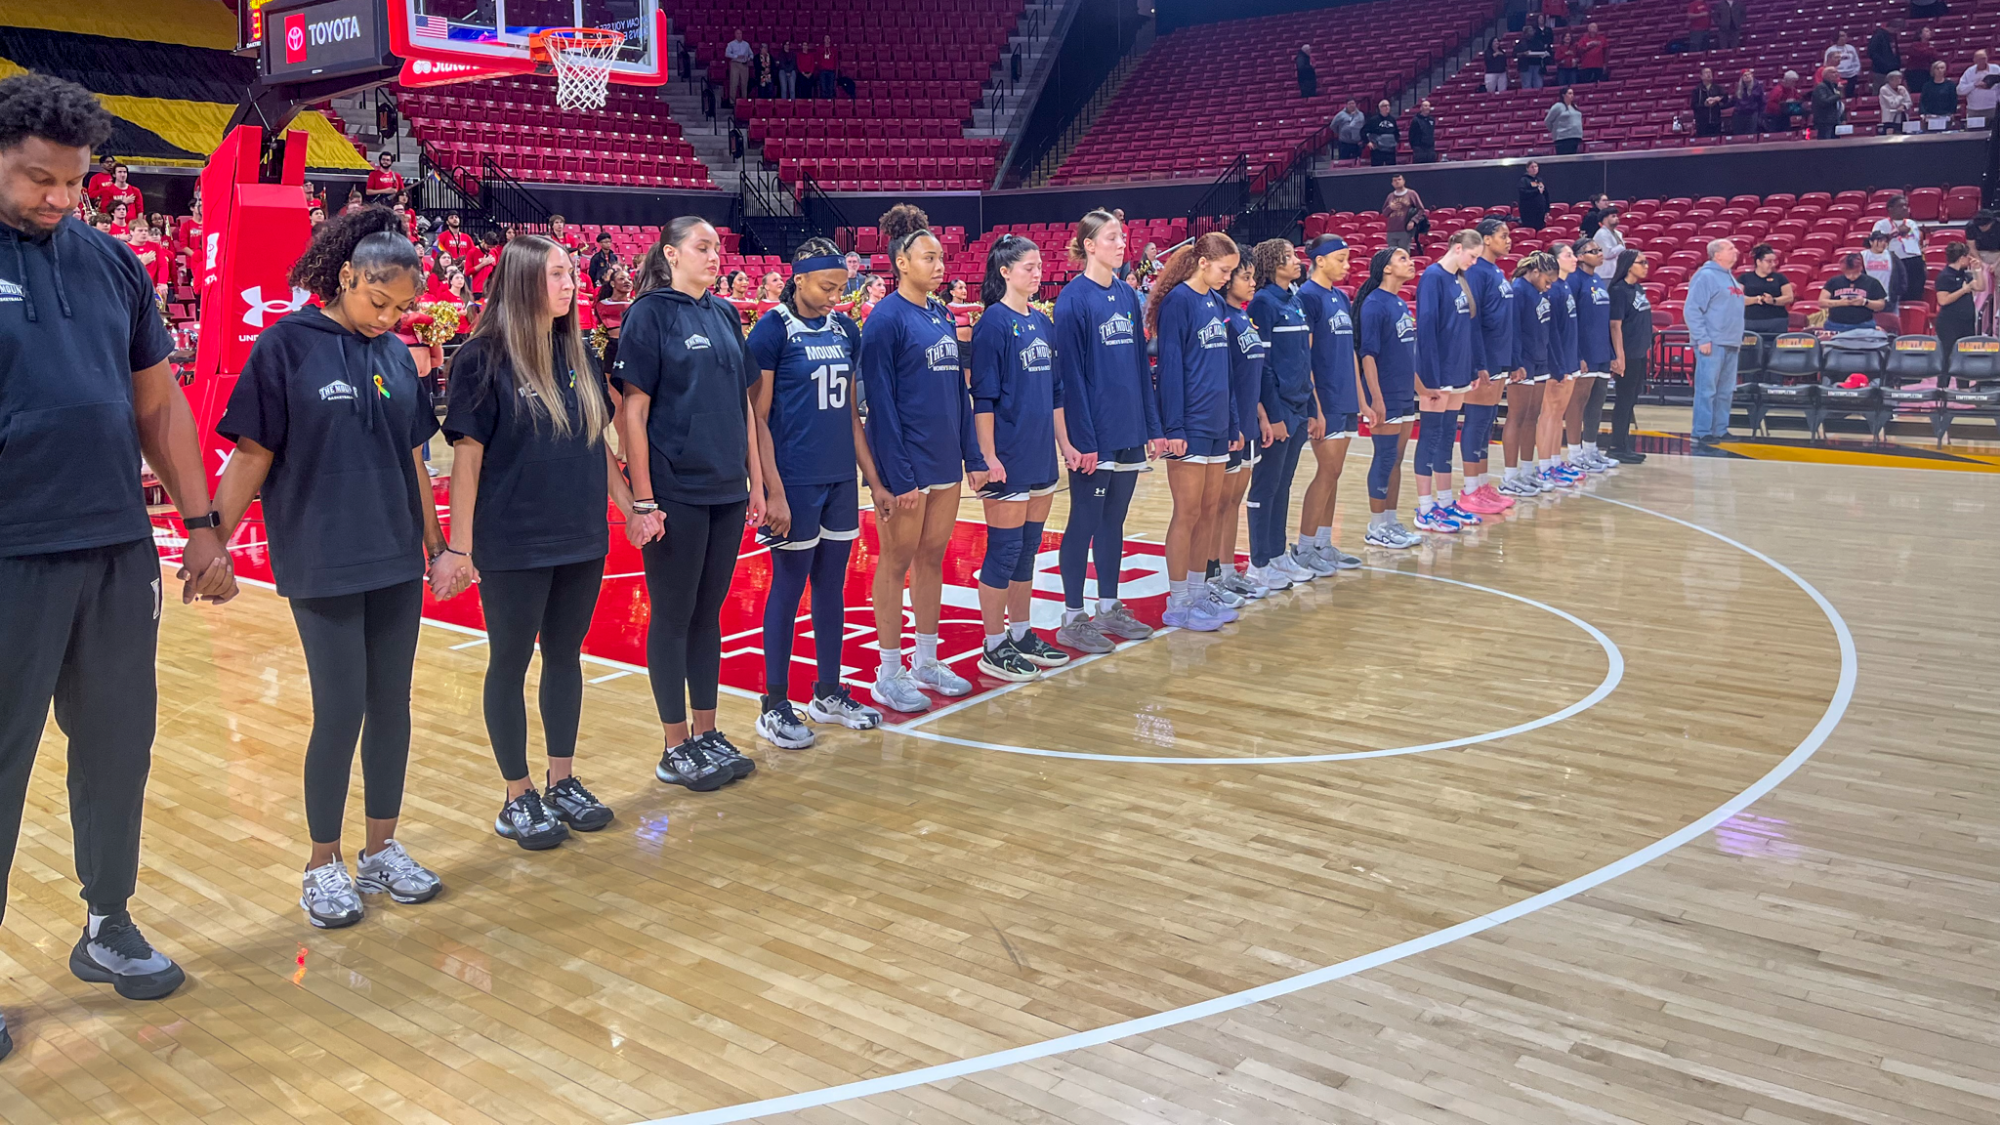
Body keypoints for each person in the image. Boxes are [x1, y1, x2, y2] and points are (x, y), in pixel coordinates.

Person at [0, 75, 235, 1054]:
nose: (56, 198)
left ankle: (107, 923)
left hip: (113, 546)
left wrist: (203, 521)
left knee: (115, 749)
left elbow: (157, 404)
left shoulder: (111, 264)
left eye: (72, 183)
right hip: (11, 553)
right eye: (34, 179)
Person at [211, 207, 444, 928]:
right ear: (345, 277)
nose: (388, 317)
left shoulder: (398, 357)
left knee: (392, 707)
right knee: (340, 708)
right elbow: (252, 454)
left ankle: (381, 848)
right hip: (322, 556)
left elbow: (414, 456)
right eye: (379, 301)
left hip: (395, 556)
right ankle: (322, 862)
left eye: (403, 308)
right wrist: (209, 539)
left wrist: (440, 548)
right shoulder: (286, 345)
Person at [429, 234, 633, 849]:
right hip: (513, 540)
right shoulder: (481, 358)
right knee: (511, 663)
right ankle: (517, 794)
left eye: (571, 273)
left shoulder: (579, 353)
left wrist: (631, 509)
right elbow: (466, 459)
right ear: (522, 282)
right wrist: (458, 548)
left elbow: (598, 444)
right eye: (557, 274)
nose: (571, 284)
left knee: (566, 657)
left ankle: (561, 780)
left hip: (581, 535)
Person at [614, 216, 764, 790]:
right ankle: (674, 744)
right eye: (702, 247)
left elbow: (744, 406)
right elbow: (633, 411)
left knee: (709, 614)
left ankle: (707, 732)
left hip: (727, 488)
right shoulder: (649, 314)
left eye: (717, 247)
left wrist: (755, 479)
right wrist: (643, 498)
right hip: (676, 491)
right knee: (674, 616)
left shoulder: (725, 314)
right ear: (671, 255)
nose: (714, 256)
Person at [745, 238, 884, 743]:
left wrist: (872, 477)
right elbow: (754, 419)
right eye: (827, 287)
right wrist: (771, 491)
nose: (834, 297)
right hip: (795, 481)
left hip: (839, 479)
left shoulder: (846, 329)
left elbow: (849, 415)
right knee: (788, 585)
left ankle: (827, 691)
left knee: (833, 586)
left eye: (841, 289)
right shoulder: (771, 331)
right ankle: (774, 704)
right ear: (799, 279)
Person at [857, 204, 988, 711]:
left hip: (944, 465)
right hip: (904, 467)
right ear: (900, 263)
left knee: (933, 558)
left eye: (941, 258)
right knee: (895, 561)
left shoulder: (939, 314)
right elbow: (881, 406)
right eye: (928, 258)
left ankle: (926, 661)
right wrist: (897, 475)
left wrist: (972, 457)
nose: (940, 266)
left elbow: (959, 392)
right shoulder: (885, 320)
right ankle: (888, 672)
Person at [1051, 210, 1158, 654]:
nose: (1121, 244)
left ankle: (1109, 606)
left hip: (1129, 426)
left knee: (1115, 521)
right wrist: (1084, 440)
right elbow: (1070, 376)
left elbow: (1139, 365)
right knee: (1085, 520)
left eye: (1123, 237)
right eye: (1112, 237)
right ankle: (1073, 617)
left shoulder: (1127, 297)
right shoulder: (1073, 300)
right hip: (1094, 432)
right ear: (1089, 245)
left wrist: (1151, 424)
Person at [968, 234, 1071, 681]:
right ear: (1005, 272)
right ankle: (993, 645)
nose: (1037, 272)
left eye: (1039, 265)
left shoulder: (1043, 323)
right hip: (1006, 455)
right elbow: (983, 398)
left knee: (1028, 550)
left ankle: (1022, 631)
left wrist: (1065, 445)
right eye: (1028, 266)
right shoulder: (992, 323)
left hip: (1040, 454)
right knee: (1004, 551)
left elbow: (1056, 395)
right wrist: (986, 455)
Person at [1148, 233, 1241, 633]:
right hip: (1189, 423)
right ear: (1203, 263)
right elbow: (1170, 369)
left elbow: (1225, 369)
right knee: (1186, 512)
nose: (1228, 277)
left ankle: (1200, 592)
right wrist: (1175, 427)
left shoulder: (1216, 302)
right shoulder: (1178, 304)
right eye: (1224, 270)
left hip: (1219, 423)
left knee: (1208, 512)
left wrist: (1234, 421)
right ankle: (1179, 601)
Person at [1246, 238, 1326, 586]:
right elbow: (1262, 366)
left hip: (1297, 406)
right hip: (1279, 411)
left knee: (1284, 484)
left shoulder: (1294, 301)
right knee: (1266, 486)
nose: (1298, 261)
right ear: (1273, 261)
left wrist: (1310, 407)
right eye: (1291, 255)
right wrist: (1274, 415)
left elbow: (1303, 361)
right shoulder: (1263, 303)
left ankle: (1278, 554)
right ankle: (1258, 561)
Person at [1293, 236, 1367, 571]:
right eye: (1340, 258)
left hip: (1344, 395)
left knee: (1334, 474)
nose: (1347, 265)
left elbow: (1350, 351)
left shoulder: (1340, 296)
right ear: (1320, 260)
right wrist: (1315, 406)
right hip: (1325, 396)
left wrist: (1362, 398)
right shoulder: (1308, 297)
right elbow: (1303, 355)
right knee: (1327, 471)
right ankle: (1305, 547)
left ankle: (1323, 544)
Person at [1412, 230, 1490, 530]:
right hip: (1439, 373)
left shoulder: (1460, 279)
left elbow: (1469, 328)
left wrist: (1474, 368)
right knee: (1430, 437)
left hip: (1458, 372)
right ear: (1458, 248)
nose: (1473, 262)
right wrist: (1430, 377)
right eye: (1472, 256)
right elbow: (1427, 329)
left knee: (1446, 437)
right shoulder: (1433, 277)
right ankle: (1425, 508)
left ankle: (1444, 503)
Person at [1354, 247, 1427, 542]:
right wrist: (1377, 398)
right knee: (1384, 457)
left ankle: (1390, 520)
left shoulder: (1399, 303)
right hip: (1384, 394)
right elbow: (1367, 354)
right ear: (1386, 268)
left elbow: (1404, 356)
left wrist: (1423, 390)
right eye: (1403, 259)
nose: (1410, 263)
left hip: (1403, 394)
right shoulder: (1374, 305)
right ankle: (1375, 527)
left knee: (1396, 459)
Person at [1210, 253, 1265, 606]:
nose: (1252, 282)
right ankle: (1211, 573)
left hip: (1248, 423)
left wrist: (1258, 414)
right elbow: (1226, 377)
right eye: (1245, 276)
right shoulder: (1224, 320)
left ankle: (1229, 570)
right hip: (1230, 426)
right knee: (1218, 504)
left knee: (1233, 502)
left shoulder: (1245, 317)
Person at [1462, 217, 1519, 509]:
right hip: (1484, 358)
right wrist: (1478, 362)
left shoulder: (1496, 271)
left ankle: (1482, 485)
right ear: (1485, 239)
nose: (1508, 240)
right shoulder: (1477, 273)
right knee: (1477, 420)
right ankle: (1470, 489)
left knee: (1487, 422)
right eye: (1503, 235)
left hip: (1499, 356)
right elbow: (1473, 320)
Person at [1500, 252, 1555, 496]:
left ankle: (1526, 470)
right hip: (1523, 360)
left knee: (1533, 415)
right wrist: (1515, 363)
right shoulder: (1519, 290)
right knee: (1517, 415)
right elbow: (1511, 329)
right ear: (1534, 272)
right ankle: (1510, 477)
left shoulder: (1538, 291)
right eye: (1547, 279)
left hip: (1539, 359)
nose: (1550, 284)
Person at [1683, 239, 1745, 447]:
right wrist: (1702, 338)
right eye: (1730, 248)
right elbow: (1692, 309)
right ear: (1717, 254)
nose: (1736, 250)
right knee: (1707, 390)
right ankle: (1701, 431)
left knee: (1725, 391)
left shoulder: (1730, 278)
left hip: (1731, 341)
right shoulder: (1706, 276)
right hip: (1712, 342)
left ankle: (1720, 429)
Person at [1565, 237, 1619, 473]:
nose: (1599, 253)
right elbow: (1571, 321)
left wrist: (1612, 351)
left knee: (1597, 403)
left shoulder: (1597, 278)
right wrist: (1577, 354)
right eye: (1592, 251)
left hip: (1601, 350)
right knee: (1578, 402)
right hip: (1584, 350)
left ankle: (1590, 449)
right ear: (1578, 256)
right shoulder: (1574, 281)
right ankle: (1574, 453)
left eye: (1599, 250)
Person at [1534, 243, 1584, 490]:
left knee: (1558, 414)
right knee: (1549, 413)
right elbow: (1551, 333)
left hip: (1569, 358)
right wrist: (1558, 365)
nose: (1574, 258)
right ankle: (1544, 467)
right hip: (1557, 361)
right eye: (1568, 255)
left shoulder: (1566, 286)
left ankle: (1554, 461)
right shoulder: (1552, 291)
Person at [1605, 249, 1651, 463]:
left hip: (1640, 352)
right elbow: (1615, 325)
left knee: (1632, 400)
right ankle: (1616, 446)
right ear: (1629, 265)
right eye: (1641, 262)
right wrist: (1619, 356)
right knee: (1624, 401)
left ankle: (1624, 444)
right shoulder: (1618, 291)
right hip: (1628, 354)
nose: (1646, 266)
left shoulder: (1638, 288)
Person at [1932, 242, 1985, 373]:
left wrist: (1978, 270)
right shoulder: (1944, 276)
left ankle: (1964, 387)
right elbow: (1943, 300)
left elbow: (1980, 287)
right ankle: (1942, 387)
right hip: (1949, 323)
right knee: (1947, 355)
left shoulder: (1964, 274)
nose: (1969, 259)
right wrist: (1963, 290)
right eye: (1968, 256)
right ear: (1961, 258)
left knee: (1965, 355)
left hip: (1966, 322)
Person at [1871, 194, 1926, 303]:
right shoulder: (1881, 224)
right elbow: (1875, 242)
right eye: (1900, 206)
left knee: (1915, 291)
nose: (1905, 208)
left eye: (1906, 205)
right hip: (1895, 261)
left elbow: (1915, 241)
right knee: (1898, 292)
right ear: (1890, 209)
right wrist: (1895, 233)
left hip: (1914, 261)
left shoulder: (1911, 223)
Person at [1819, 252, 1888, 334]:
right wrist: (1840, 303)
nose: (1851, 276)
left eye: (1854, 273)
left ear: (1860, 268)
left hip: (1863, 325)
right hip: (1836, 325)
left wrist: (1864, 302)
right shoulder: (1833, 281)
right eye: (1848, 273)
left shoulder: (1872, 282)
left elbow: (1881, 305)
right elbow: (1821, 302)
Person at [1739, 243, 1795, 341]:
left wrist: (1773, 300)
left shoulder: (1780, 278)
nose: (1773, 264)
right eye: (1769, 261)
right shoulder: (1744, 278)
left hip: (1776, 321)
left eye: (1774, 261)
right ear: (1758, 262)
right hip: (1750, 321)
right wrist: (1756, 299)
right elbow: (1736, 298)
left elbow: (1789, 297)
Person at [1382, 173, 1424, 250]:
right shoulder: (1390, 196)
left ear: (1404, 181)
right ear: (1392, 184)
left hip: (1404, 229)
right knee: (1392, 255)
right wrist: (1390, 208)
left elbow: (1421, 210)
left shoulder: (1411, 194)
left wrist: (1413, 221)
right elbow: (1384, 213)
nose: (1397, 182)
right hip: (1391, 230)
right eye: (1395, 181)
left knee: (1404, 253)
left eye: (1399, 179)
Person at [1958, 49, 1999, 120]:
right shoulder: (1969, 72)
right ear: (1975, 60)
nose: (1982, 61)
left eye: (1984, 58)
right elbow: (1960, 90)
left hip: (1992, 108)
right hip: (1974, 110)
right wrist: (1974, 85)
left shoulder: (1996, 69)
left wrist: (1988, 86)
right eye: (1980, 59)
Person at [1860, 230, 1898, 306]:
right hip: (1868, 298)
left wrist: (1896, 292)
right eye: (1880, 240)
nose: (1883, 243)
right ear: (1871, 242)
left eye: (1885, 241)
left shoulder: (1892, 256)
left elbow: (1900, 275)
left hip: (1889, 298)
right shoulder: (1861, 256)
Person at [1812, 66, 1847, 139]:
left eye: (1837, 72)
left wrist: (1843, 118)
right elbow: (1824, 101)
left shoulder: (1833, 86)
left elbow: (1838, 104)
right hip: (1825, 122)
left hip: (1835, 121)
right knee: (1826, 145)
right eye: (1833, 72)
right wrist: (1838, 95)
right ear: (1826, 75)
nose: (1836, 74)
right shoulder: (1821, 87)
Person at [1546, 87, 1584, 154]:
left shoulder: (1574, 106)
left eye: (1572, 93)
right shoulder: (1558, 106)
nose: (1572, 95)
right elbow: (1548, 121)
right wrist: (1555, 130)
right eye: (1569, 93)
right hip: (1563, 138)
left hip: (1576, 137)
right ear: (1563, 95)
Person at [1517, 18, 1553, 88]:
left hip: (1537, 65)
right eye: (1530, 30)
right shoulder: (1521, 43)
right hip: (1526, 66)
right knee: (1527, 85)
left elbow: (1543, 51)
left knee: (1539, 85)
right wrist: (1524, 53)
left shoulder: (1538, 42)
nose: (1532, 32)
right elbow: (1515, 54)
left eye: (1532, 30)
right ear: (1525, 33)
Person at [1692, 67, 1728, 136]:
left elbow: (1725, 99)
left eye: (1710, 72)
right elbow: (1694, 105)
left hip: (1716, 121)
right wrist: (1704, 105)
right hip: (1702, 123)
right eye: (1706, 73)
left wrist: (1718, 99)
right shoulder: (1697, 89)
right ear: (1701, 76)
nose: (1709, 74)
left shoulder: (1718, 88)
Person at [1906, 27, 1940, 97]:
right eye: (1926, 31)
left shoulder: (1930, 46)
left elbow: (1936, 57)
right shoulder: (1914, 46)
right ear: (1920, 34)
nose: (1929, 32)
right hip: (1916, 73)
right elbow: (1922, 54)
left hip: (1927, 72)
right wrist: (1929, 49)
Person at [1364, 99, 1400, 165]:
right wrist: (1368, 142)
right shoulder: (1373, 120)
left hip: (1390, 150)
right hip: (1378, 151)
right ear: (1380, 108)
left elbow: (1396, 133)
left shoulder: (1392, 119)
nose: (1387, 107)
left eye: (1388, 105)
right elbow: (1363, 132)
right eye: (1385, 106)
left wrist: (1396, 141)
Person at [1592, 207, 1626, 277]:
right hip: (1605, 274)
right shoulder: (1601, 234)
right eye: (1613, 216)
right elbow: (1607, 254)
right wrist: (1620, 246)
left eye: (1616, 216)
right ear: (1605, 219)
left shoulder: (1617, 233)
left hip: (1615, 272)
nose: (1617, 218)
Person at [1518, 161, 1549, 229]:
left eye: (1536, 167)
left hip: (1540, 211)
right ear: (1527, 169)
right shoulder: (1524, 180)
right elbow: (1523, 193)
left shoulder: (1539, 180)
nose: (1534, 168)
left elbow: (1545, 194)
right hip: (1529, 212)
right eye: (1532, 167)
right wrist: (1536, 191)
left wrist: (1547, 210)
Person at [1733, 70, 1766, 134]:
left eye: (1748, 74)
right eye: (1745, 75)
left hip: (1752, 114)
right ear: (1742, 78)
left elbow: (1762, 102)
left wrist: (1761, 116)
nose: (1747, 76)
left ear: (1752, 76)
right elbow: (1733, 101)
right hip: (1739, 115)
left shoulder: (1758, 87)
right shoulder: (1738, 88)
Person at [726, 29, 753, 103]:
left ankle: (744, 100)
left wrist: (749, 58)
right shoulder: (731, 44)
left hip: (744, 65)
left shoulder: (746, 44)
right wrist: (736, 56)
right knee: (734, 83)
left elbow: (751, 54)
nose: (739, 35)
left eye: (740, 33)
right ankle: (732, 101)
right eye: (737, 33)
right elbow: (727, 53)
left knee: (744, 83)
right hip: (735, 64)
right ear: (735, 34)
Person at [817, 35, 839, 99]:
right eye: (825, 38)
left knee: (830, 88)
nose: (827, 39)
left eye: (828, 38)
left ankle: (830, 104)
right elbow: (817, 59)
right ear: (823, 40)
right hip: (822, 71)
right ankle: (824, 104)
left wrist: (835, 70)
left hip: (831, 71)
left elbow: (836, 60)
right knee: (823, 88)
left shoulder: (833, 49)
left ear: (830, 39)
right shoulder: (820, 48)